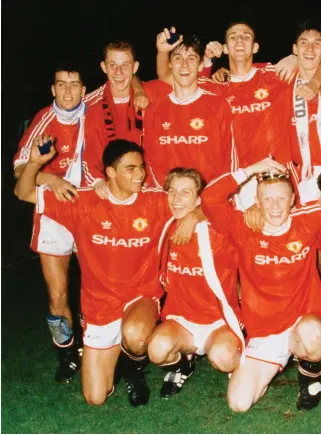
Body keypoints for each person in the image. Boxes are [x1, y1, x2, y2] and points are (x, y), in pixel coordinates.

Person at [14, 138, 201, 407]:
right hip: (99, 307)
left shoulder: (156, 202)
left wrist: (194, 216)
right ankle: (121, 363)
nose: (140, 174)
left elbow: (207, 202)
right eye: (131, 169)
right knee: (95, 398)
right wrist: (34, 164)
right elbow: (23, 193)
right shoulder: (83, 202)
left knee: (136, 335)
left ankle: (133, 370)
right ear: (110, 173)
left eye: (141, 167)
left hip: (140, 298)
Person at [201, 158, 321, 412]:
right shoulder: (244, 228)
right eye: (267, 199)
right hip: (265, 332)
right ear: (257, 201)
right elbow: (210, 198)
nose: (275, 206)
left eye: (281, 199)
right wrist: (251, 170)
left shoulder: (306, 221)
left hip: (303, 324)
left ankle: (310, 376)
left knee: (314, 335)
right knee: (239, 403)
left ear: (292, 200)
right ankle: (259, 369)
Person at [13, 62, 91, 383]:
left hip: (90, 209)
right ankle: (67, 354)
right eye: (62, 84)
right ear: (53, 89)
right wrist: (52, 180)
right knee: (57, 294)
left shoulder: (97, 112)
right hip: (53, 211)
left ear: (84, 89)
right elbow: (20, 174)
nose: (68, 91)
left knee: (96, 289)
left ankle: (95, 348)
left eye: (74, 84)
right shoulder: (43, 120)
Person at [148, 168, 244, 399]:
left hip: (218, 321)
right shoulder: (165, 226)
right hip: (182, 320)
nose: (176, 199)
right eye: (172, 191)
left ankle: (244, 358)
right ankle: (182, 365)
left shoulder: (221, 231)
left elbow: (227, 209)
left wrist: (196, 215)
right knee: (157, 350)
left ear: (199, 199)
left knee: (224, 359)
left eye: (185, 192)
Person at [144, 34, 236, 188]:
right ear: (170, 64)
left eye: (192, 58)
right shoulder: (155, 110)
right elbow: (150, 160)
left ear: (201, 65)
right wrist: (169, 193)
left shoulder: (219, 106)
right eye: (178, 58)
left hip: (208, 198)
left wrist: (213, 196)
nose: (184, 65)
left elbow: (229, 159)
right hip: (170, 198)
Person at [83, 40, 172, 193]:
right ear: (103, 67)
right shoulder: (91, 106)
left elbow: (187, 85)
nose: (119, 72)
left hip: (155, 189)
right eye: (112, 65)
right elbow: (90, 156)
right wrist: (98, 182)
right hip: (115, 190)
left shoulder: (153, 93)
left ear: (135, 67)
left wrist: (211, 66)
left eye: (125, 65)